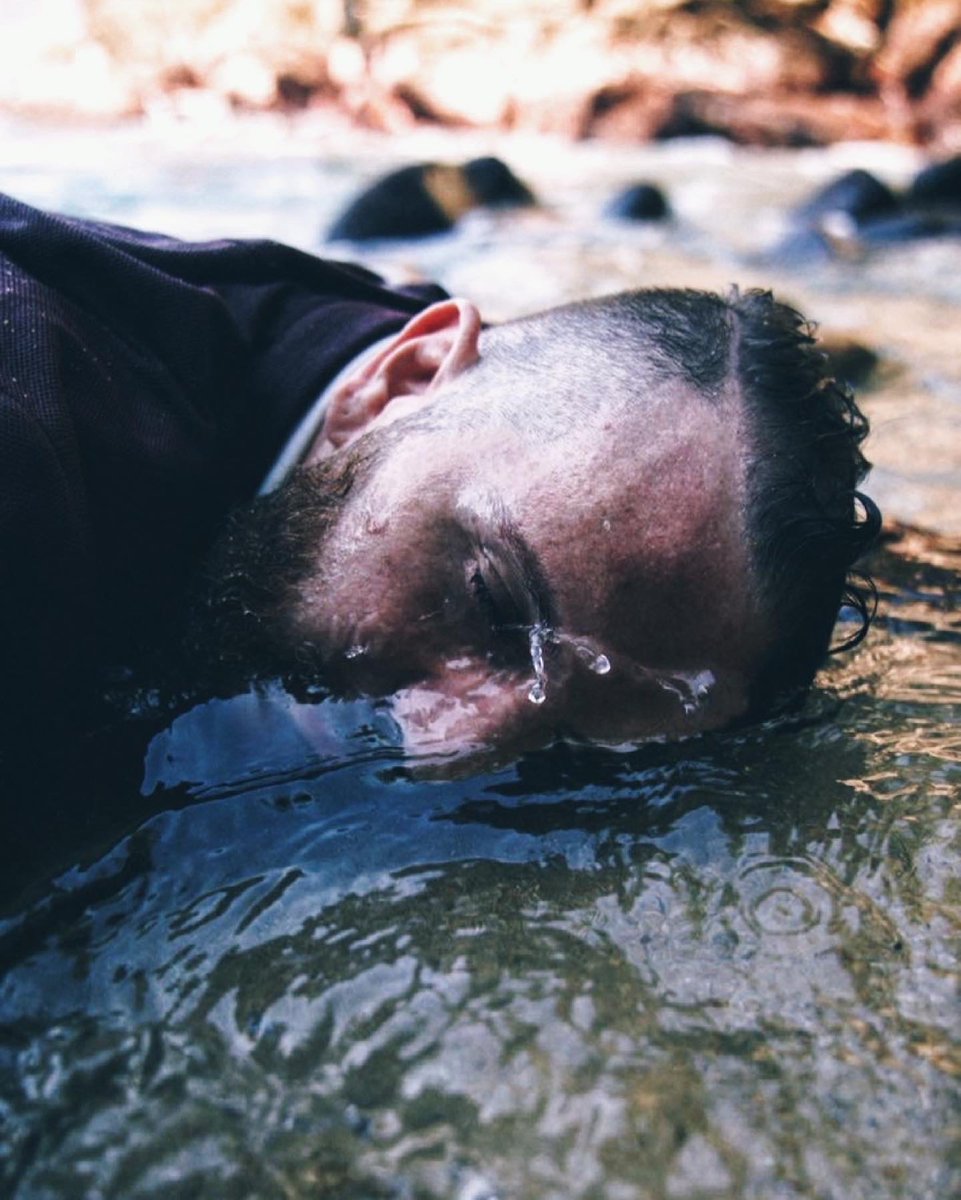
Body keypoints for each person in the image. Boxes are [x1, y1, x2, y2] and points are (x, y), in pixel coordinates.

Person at [0, 191, 879, 764]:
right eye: (491, 603)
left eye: (561, 745)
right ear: (407, 374)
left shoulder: (452, 398)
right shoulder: (34, 443)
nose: (444, 752)